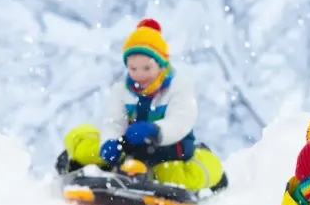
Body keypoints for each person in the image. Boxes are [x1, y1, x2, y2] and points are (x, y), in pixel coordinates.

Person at [59, 18, 228, 193]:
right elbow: (114, 121)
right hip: (131, 147)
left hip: (168, 149)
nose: (139, 75)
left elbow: (182, 119)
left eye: (146, 68)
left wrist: (156, 129)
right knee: (94, 153)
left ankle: (205, 161)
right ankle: (77, 161)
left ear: (161, 65)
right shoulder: (122, 90)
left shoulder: (179, 86)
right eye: (133, 69)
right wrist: (110, 140)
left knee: (178, 176)